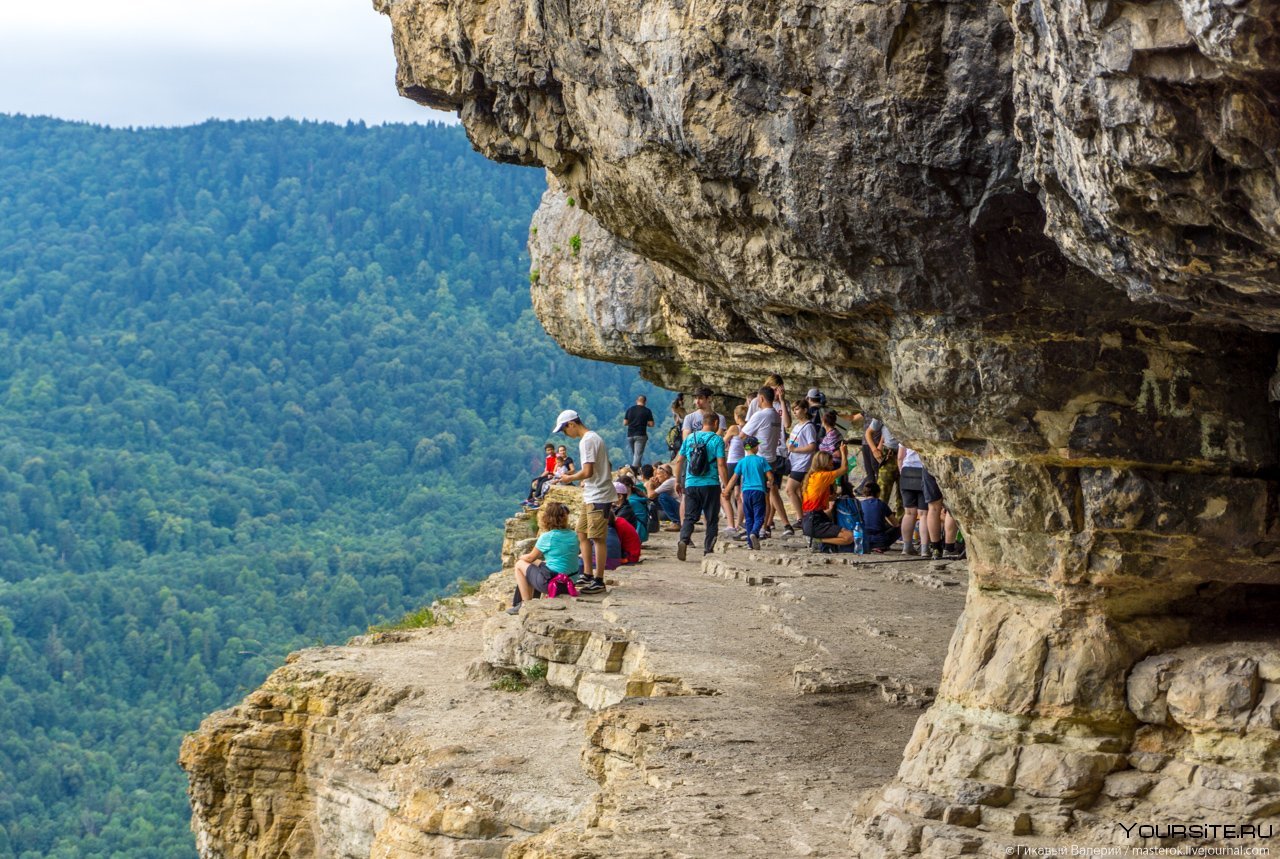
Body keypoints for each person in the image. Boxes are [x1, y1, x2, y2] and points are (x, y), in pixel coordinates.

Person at [553, 409, 616, 594]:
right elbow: (599, 468)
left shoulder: (586, 441)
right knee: (582, 532)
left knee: (597, 537)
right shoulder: (594, 438)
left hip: (599, 495)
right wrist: (574, 474)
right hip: (592, 493)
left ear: (571, 424)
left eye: (565, 430)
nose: (566, 434)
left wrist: (567, 479)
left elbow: (587, 472)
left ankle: (599, 579)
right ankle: (587, 574)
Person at [674, 411, 728, 560]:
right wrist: (726, 485)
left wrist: (678, 481)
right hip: (710, 483)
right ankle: (708, 550)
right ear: (716, 423)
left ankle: (684, 540)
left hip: (691, 483)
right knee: (711, 518)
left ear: (703, 422)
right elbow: (721, 464)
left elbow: (679, 461)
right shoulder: (717, 439)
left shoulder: (691, 437)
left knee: (690, 516)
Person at [510, 502, 579, 614]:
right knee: (538, 563)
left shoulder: (548, 537)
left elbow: (530, 558)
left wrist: (521, 556)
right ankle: (531, 600)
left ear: (548, 518)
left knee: (520, 564)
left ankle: (525, 604)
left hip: (554, 583)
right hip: (570, 581)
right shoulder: (574, 535)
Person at [742, 385, 791, 537]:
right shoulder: (777, 415)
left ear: (761, 398)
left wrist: (750, 448)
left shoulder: (760, 415)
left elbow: (742, 435)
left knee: (756, 496)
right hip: (772, 458)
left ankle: (756, 529)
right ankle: (763, 527)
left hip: (758, 459)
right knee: (767, 495)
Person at [721, 435, 772, 549]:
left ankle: (750, 543)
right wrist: (769, 483)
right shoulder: (761, 460)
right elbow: (770, 476)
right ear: (755, 447)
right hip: (759, 491)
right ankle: (754, 532)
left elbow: (734, 478)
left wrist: (726, 490)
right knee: (759, 516)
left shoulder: (741, 462)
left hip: (746, 493)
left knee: (749, 517)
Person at [799, 451, 854, 550]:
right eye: (830, 462)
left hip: (811, 518)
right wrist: (843, 452)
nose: (832, 464)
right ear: (824, 463)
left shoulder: (814, 476)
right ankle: (816, 540)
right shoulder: (822, 476)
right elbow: (844, 469)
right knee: (849, 537)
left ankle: (818, 540)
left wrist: (832, 497)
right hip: (814, 520)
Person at [783, 400, 819, 537]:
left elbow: (812, 446)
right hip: (795, 462)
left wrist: (795, 449)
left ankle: (800, 517)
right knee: (799, 492)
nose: (795, 412)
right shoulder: (798, 425)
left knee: (789, 489)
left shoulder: (808, 427)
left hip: (803, 463)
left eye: (797, 409)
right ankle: (806, 515)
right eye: (793, 409)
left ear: (805, 409)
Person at [897, 445, 936, 558]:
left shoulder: (904, 434)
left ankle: (907, 547)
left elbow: (900, 457)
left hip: (906, 471)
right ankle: (925, 549)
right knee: (924, 514)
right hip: (923, 471)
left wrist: (902, 472)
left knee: (909, 512)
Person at [721, 403, 748, 533]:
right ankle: (739, 523)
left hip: (732, 463)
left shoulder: (734, 428)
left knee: (726, 493)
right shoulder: (750, 428)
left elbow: (722, 442)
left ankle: (730, 524)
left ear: (736, 415)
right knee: (739, 495)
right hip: (744, 462)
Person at [857, 482, 900, 552]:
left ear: (864, 493)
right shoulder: (882, 504)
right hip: (880, 541)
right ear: (878, 493)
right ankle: (880, 546)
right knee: (899, 528)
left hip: (863, 540)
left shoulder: (859, 504)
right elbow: (895, 524)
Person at [622, 395, 655, 470]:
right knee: (638, 455)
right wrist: (643, 422)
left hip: (630, 435)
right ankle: (633, 471)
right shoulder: (647, 411)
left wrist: (632, 422)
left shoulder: (630, 410)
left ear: (636, 401)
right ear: (645, 402)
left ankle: (639, 471)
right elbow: (651, 424)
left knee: (636, 455)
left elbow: (625, 423)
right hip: (641, 435)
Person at [647, 464, 681, 528]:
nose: (656, 477)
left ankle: (677, 522)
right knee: (659, 497)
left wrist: (649, 485)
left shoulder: (669, 481)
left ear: (665, 475)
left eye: (658, 474)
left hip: (680, 508)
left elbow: (650, 496)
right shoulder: (671, 480)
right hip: (680, 507)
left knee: (662, 497)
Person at [524, 443, 557, 507]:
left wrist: (553, 475)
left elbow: (559, 468)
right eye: (548, 450)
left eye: (551, 449)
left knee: (542, 482)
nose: (550, 451)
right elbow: (547, 470)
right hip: (549, 473)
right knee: (535, 480)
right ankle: (530, 498)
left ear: (553, 449)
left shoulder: (557, 457)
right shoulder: (548, 458)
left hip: (554, 475)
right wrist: (539, 477)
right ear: (546, 451)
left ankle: (537, 497)